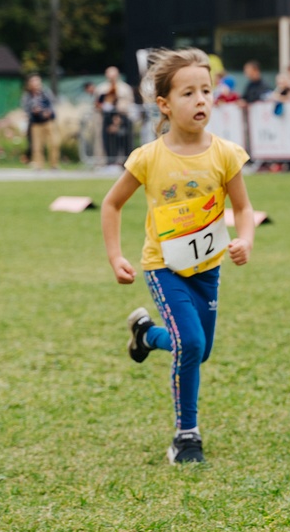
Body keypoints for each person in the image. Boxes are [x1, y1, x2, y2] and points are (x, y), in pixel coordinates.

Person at [101, 48, 255, 465]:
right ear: (165, 104)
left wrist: (244, 239)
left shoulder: (225, 154)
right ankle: (186, 436)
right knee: (190, 342)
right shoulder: (148, 158)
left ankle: (147, 335)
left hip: (207, 269)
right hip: (163, 266)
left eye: (206, 90)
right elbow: (111, 205)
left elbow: (242, 208)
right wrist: (116, 257)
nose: (201, 99)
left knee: (199, 349)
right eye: (188, 93)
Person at [96, 66, 136, 165]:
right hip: (106, 119)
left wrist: (118, 120)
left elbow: (129, 104)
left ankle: (127, 163)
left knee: (125, 142)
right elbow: (97, 104)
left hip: (123, 118)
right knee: (108, 143)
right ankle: (109, 163)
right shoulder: (101, 88)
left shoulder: (125, 88)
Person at [21, 74, 60, 170]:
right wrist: (33, 111)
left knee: (54, 143)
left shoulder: (45, 92)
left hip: (48, 121)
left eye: (37, 81)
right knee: (37, 146)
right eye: (34, 81)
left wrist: (48, 112)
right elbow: (25, 109)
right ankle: (39, 165)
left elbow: (53, 103)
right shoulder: (28, 96)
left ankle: (54, 164)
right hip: (36, 122)